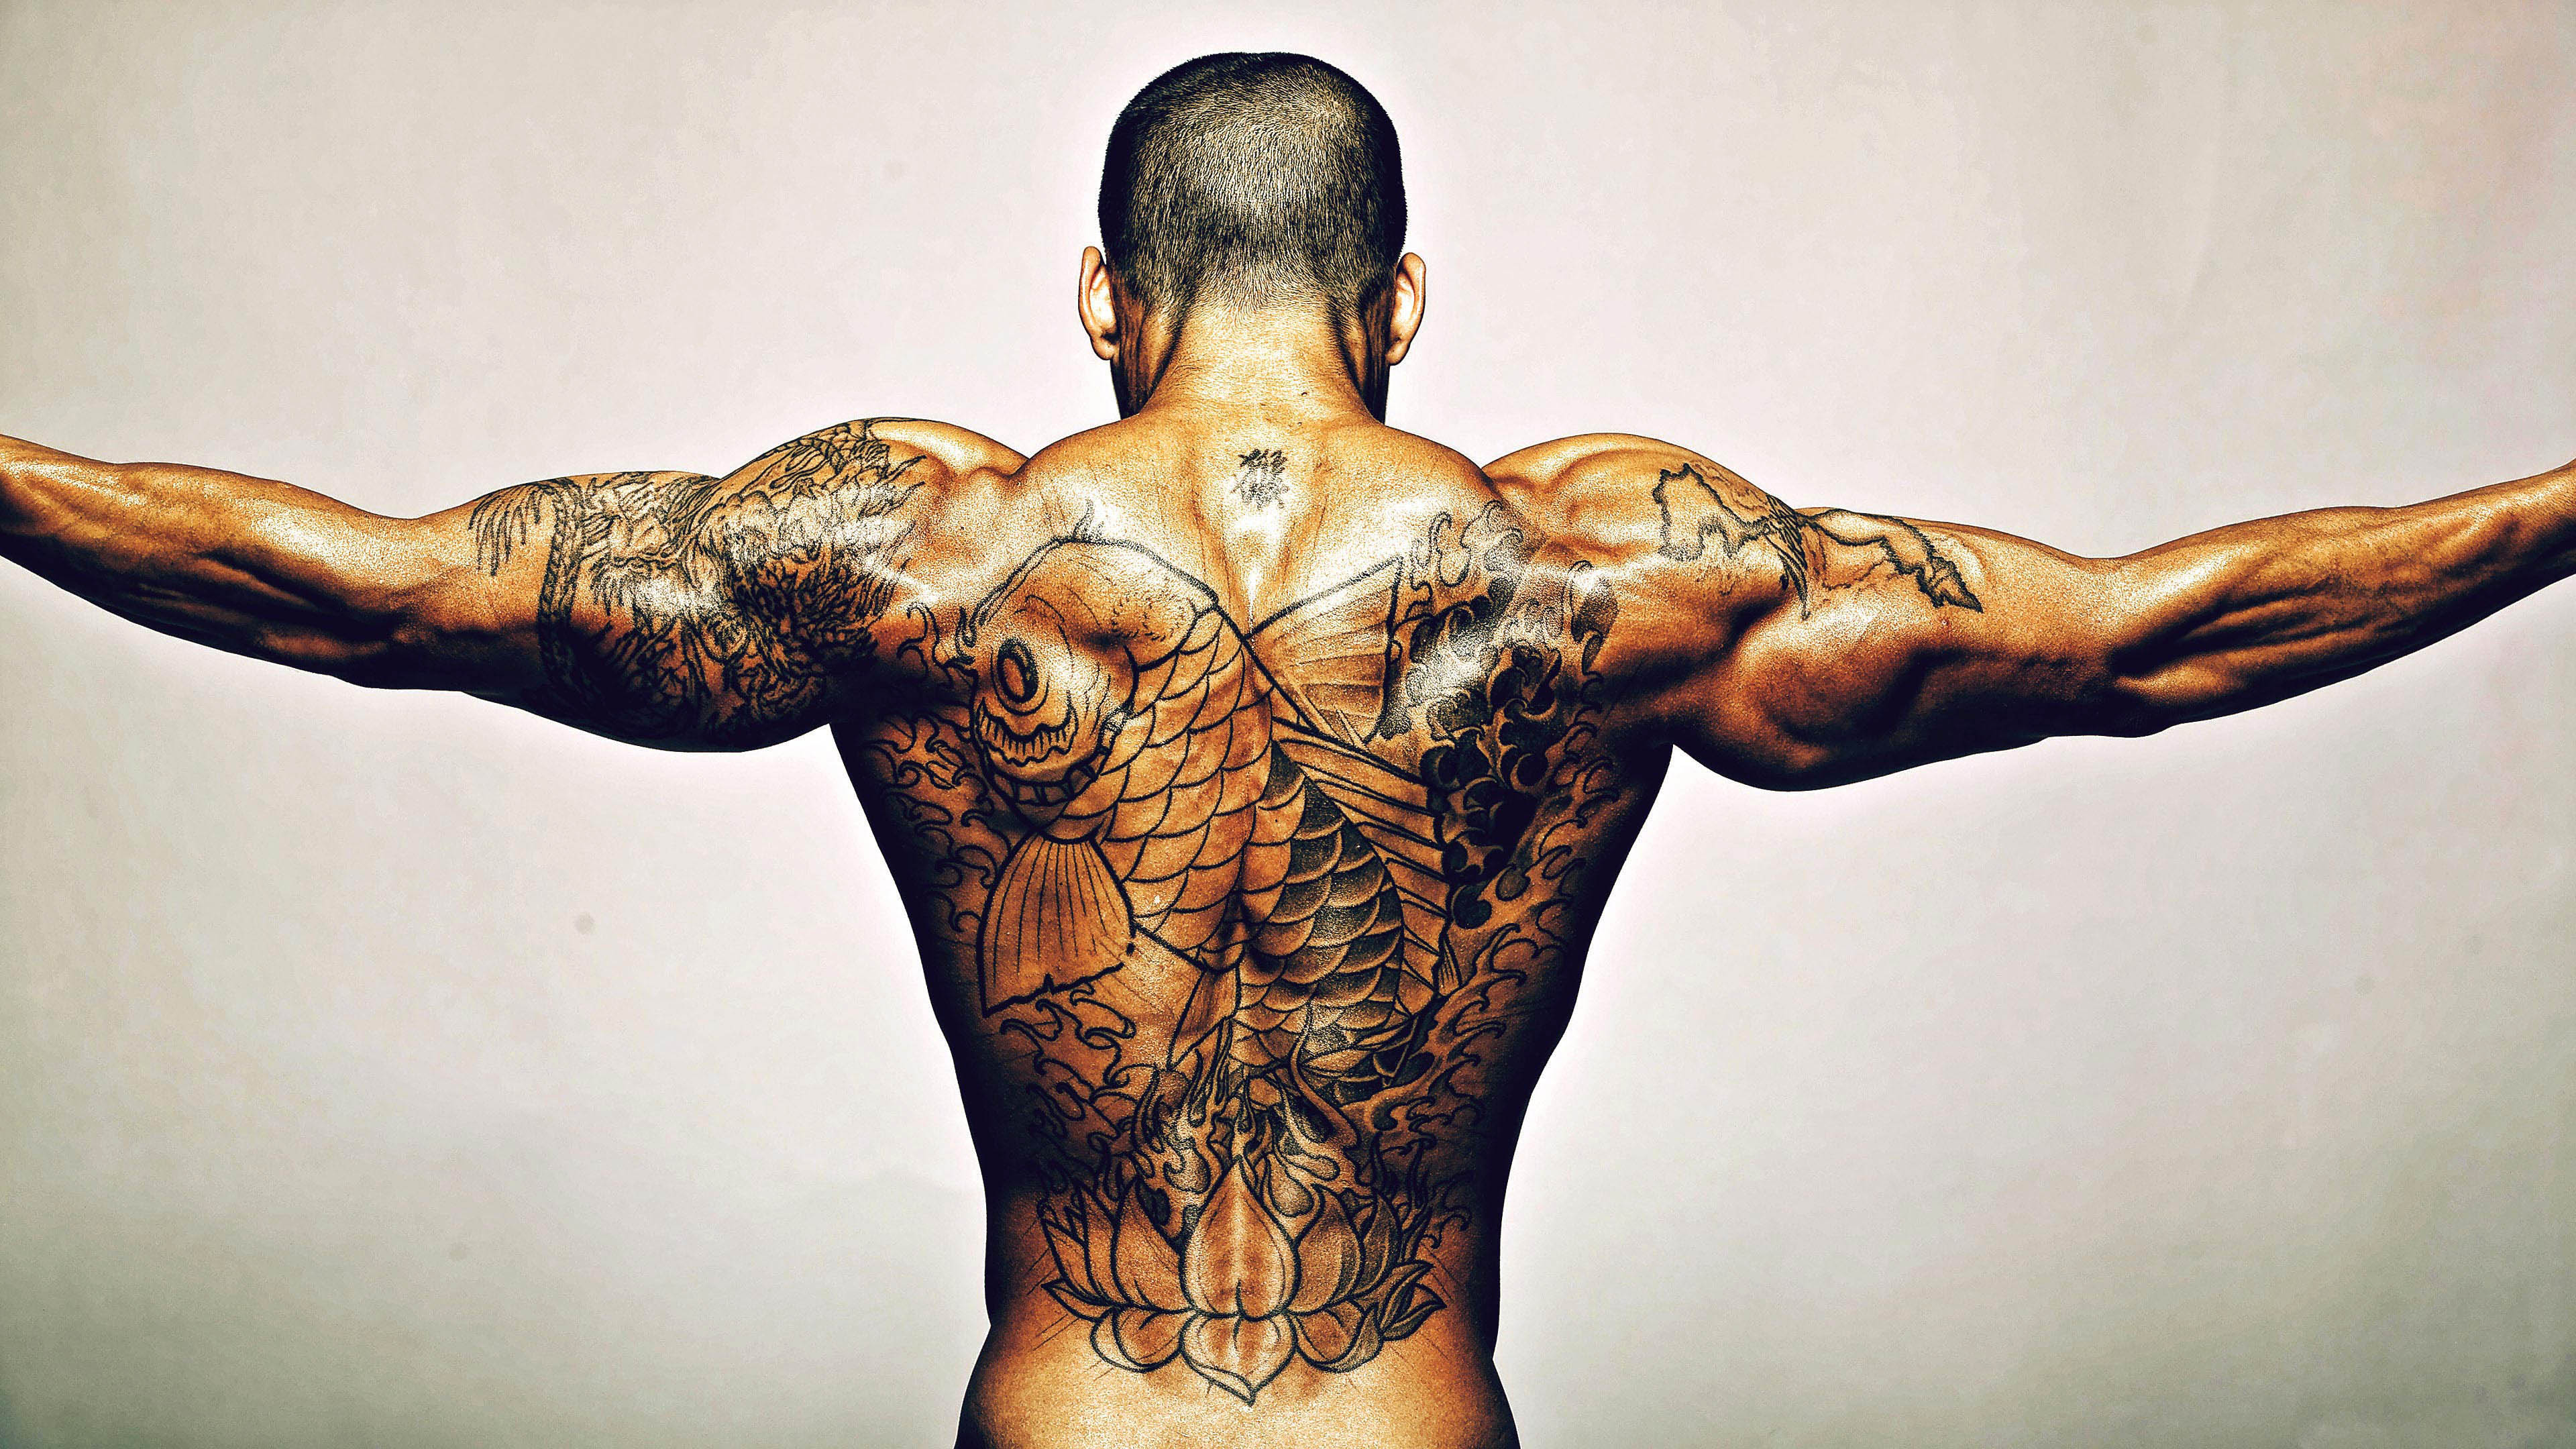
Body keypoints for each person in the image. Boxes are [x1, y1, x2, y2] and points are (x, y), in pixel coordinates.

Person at [1, 49, 2567, 1449]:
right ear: (1402, 300)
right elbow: (2148, 640)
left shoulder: (924, 555)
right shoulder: (1596, 573)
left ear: (1102, 297)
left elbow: (379, 600)